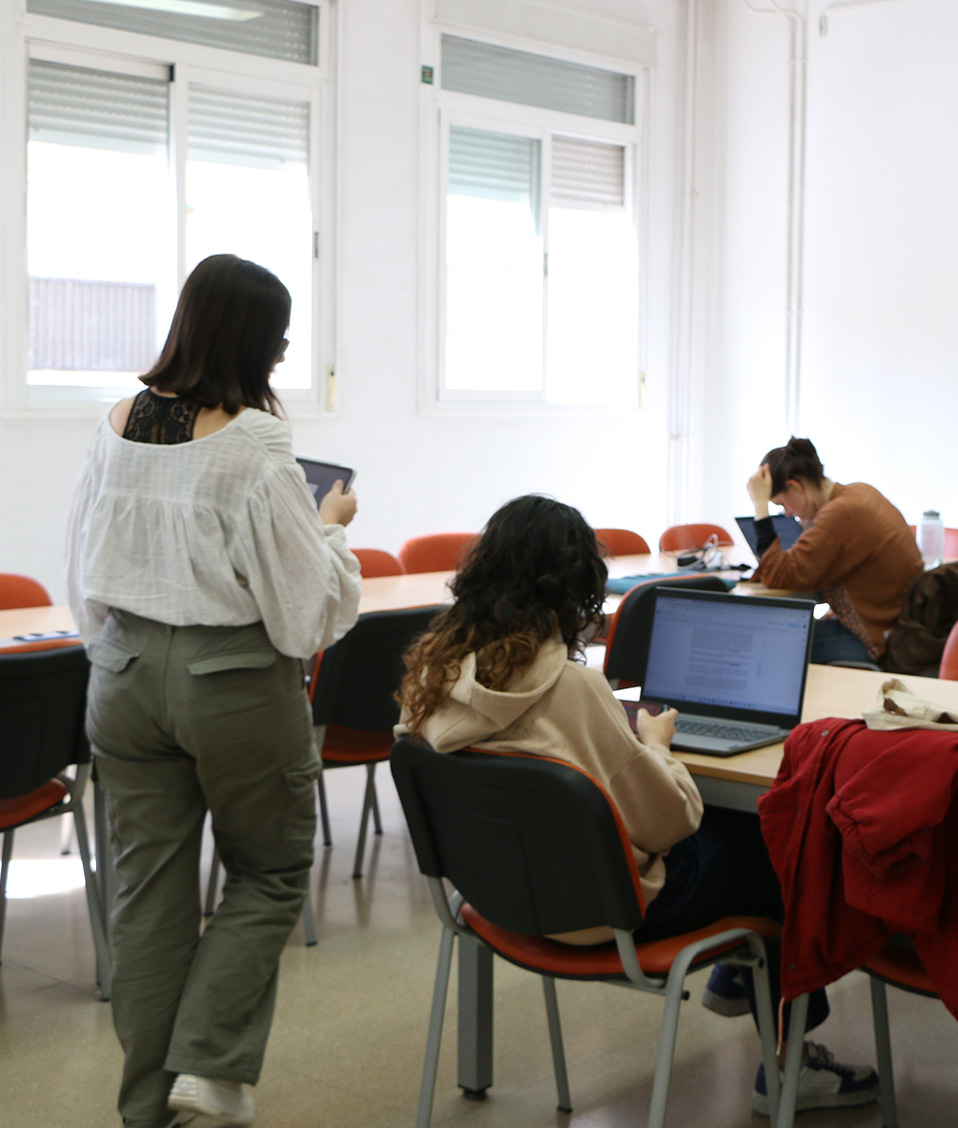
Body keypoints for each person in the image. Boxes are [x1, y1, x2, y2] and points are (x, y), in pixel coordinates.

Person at [396, 494, 878, 1117]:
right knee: (775, 844)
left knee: (746, 843)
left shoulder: (432, 675)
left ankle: (741, 974)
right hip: (610, 911)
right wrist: (655, 748)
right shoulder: (570, 686)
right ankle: (788, 1057)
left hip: (493, 900)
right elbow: (672, 821)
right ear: (575, 589)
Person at [65, 254, 362, 1128]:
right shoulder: (256, 447)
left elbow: (83, 567)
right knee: (269, 872)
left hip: (119, 675)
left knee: (147, 899)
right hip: (228, 682)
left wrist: (117, 653)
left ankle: (147, 1111)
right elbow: (306, 614)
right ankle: (210, 1067)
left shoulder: (112, 423)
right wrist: (331, 532)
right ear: (258, 345)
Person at [747, 437, 922, 665]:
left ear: (795, 486)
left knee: (772, 643)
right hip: (899, 626)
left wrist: (760, 507)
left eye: (781, 504)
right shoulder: (858, 491)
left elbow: (779, 574)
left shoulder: (840, 513)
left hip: (876, 639)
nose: (788, 514)